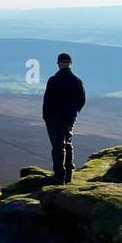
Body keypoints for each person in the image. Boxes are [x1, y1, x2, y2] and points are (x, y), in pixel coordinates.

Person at [42, 52, 85, 183]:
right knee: (68, 143)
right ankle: (69, 175)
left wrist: (46, 116)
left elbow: (48, 100)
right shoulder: (77, 80)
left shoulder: (53, 80)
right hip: (69, 117)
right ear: (71, 63)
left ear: (58, 63)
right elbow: (81, 100)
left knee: (58, 146)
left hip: (54, 117)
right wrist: (74, 112)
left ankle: (59, 175)